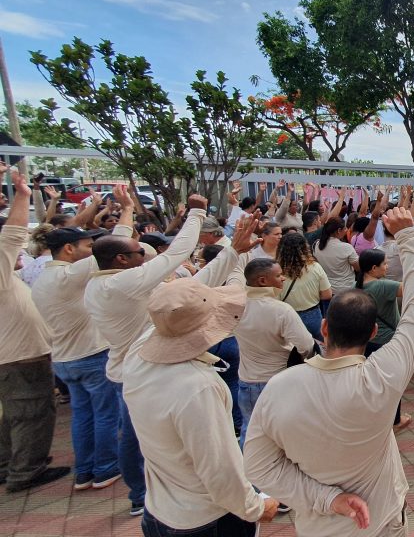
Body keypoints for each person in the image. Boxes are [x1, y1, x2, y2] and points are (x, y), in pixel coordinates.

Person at [245, 207, 414, 537]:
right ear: (373, 333)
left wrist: (328, 499)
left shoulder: (280, 387)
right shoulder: (383, 377)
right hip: (383, 520)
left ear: (324, 329)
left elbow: (257, 465)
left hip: (320, 526)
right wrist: (408, 237)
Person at [85, 193, 256, 515]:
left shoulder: (114, 289)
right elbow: (178, 254)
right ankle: (140, 494)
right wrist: (196, 212)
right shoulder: (122, 285)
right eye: (141, 252)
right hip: (142, 370)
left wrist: (233, 252)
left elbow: (192, 291)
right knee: (143, 439)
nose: (148, 257)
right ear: (121, 261)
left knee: (151, 437)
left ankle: (148, 493)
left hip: (139, 366)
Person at [121, 277, 284, 535]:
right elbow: (218, 467)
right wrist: (255, 507)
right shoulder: (196, 388)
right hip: (204, 520)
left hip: (161, 508)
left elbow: (173, 317)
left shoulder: (138, 354)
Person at [32, 222, 131, 491]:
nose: (92, 251)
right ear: (68, 249)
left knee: (83, 415)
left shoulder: (42, 279)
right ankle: (105, 468)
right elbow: (118, 244)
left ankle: (85, 470)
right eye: (88, 246)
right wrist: (125, 212)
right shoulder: (68, 275)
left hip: (64, 360)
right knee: (106, 415)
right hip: (90, 356)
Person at [0, 166, 70, 492]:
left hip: (17, 355)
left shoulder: (11, 277)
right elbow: (12, 235)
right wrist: (23, 196)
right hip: (20, 358)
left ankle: (7, 463)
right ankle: (25, 471)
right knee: (32, 413)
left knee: (15, 414)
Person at [234, 258, 314, 446]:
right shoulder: (281, 310)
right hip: (277, 379)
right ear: (263, 281)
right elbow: (306, 345)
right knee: (282, 432)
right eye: (278, 276)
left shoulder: (236, 305)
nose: (283, 279)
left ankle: (249, 469)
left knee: (251, 429)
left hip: (247, 380)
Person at [356, 248, 412, 430]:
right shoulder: (383, 286)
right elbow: (413, 287)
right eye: (385, 264)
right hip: (387, 341)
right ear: (373, 268)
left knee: (373, 381)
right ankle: (395, 420)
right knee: (392, 382)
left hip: (368, 340)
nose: (387, 266)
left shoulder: (357, 286)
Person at [277, 232, 332, 342]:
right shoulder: (315, 267)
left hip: (286, 316)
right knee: (318, 345)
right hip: (312, 315)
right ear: (305, 248)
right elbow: (327, 294)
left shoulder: (275, 270)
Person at [314, 217, 359, 294]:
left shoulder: (317, 245)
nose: (346, 230)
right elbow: (358, 268)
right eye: (345, 228)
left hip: (327, 289)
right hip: (345, 289)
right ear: (338, 231)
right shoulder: (346, 247)